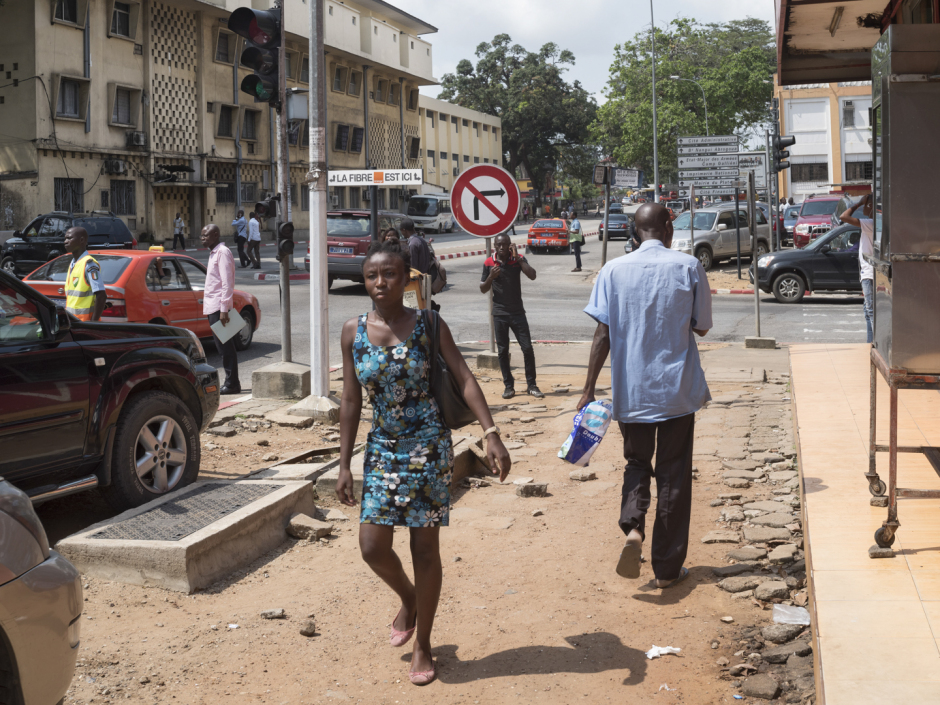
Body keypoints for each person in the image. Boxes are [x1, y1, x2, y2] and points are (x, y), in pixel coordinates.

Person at [336, 238, 511, 686]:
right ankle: (410, 599)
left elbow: (465, 377)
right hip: (382, 450)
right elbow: (352, 400)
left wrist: (490, 432)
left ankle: (424, 642)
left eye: (389, 274)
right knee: (372, 546)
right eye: (371, 275)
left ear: (406, 278)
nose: (379, 282)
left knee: (423, 548)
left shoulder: (430, 323)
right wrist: (343, 464)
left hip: (428, 448)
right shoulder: (352, 331)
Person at [578, 203, 712, 589]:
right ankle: (667, 570)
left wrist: (588, 389)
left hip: (632, 392)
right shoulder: (688, 267)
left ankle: (633, 527)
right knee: (673, 475)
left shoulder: (612, 271)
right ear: (668, 228)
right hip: (676, 392)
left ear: (635, 232)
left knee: (637, 464)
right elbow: (702, 327)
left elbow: (602, 334)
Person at [480, 233, 544, 400]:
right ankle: (509, 386)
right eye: (498, 245)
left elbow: (533, 275)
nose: (501, 248)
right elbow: (482, 288)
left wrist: (520, 259)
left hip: (517, 313)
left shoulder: (518, 259)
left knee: (527, 348)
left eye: (505, 245)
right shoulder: (489, 263)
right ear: (494, 245)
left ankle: (532, 385)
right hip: (499, 313)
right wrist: (490, 277)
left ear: (510, 245)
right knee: (503, 351)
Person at [200, 224, 240, 394]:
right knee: (224, 348)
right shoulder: (214, 253)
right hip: (214, 307)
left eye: (206, 235)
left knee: (225, 349)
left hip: (219, 308)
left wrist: (224, 309)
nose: (203, 238)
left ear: (215, 235)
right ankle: (233, 382)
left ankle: (231, 384)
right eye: (201, 236)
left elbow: (227, 282)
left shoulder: (222, 253)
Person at [839, 193, 876, 343]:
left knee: (872, 312)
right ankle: (870, 344)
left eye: (866, 203)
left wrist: (858, 204)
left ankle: (876, 344)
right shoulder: (874, 223)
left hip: (869, 274)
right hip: (867, 273)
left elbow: (843, 217)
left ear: (870, 205)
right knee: (868, 312)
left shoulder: (871, 223)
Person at [63, 227, 106, 321]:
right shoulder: (73, 263)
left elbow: (101, 295)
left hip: (84, 323)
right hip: (74, 322)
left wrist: (93, 324)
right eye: (65, 238)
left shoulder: (89, 264)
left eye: (69, 238)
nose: (65, 241)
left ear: (82, 240)